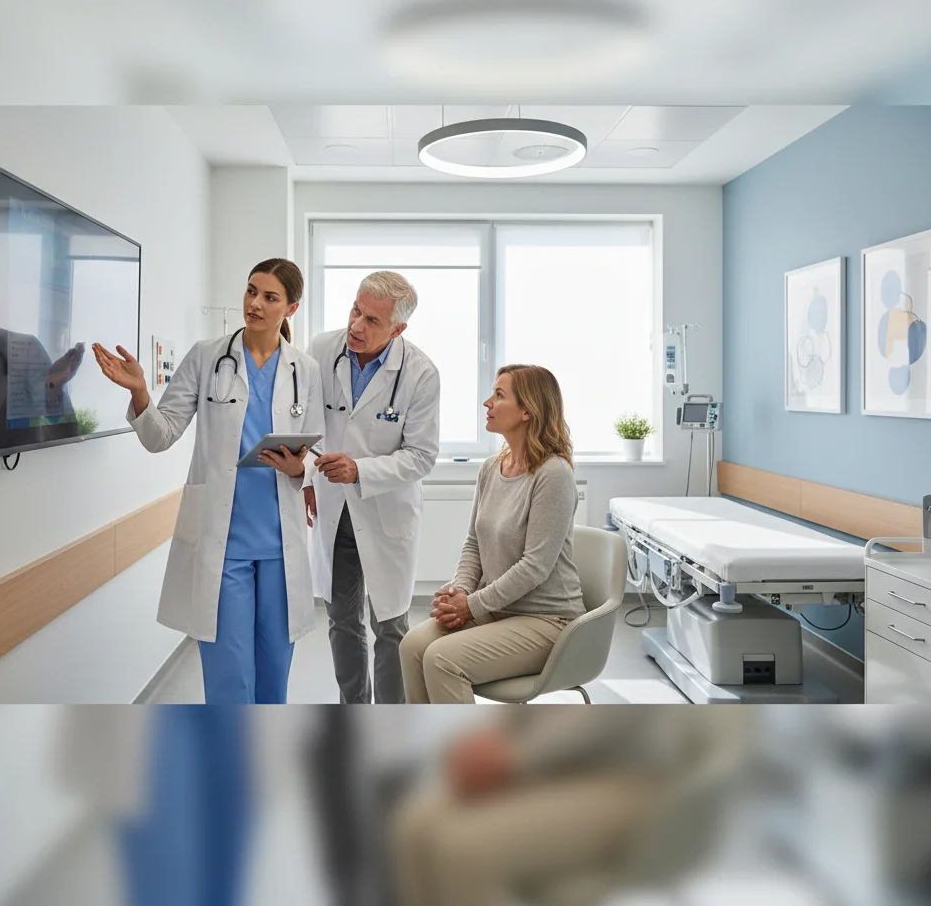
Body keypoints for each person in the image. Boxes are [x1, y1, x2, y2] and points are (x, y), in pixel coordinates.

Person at [92, 258, 323, 704]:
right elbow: (161, 436)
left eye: (269, 297)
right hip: (225, 545)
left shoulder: (304, 370)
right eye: (251, 290)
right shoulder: (206, 356)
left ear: (290, 309)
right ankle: (228, 764)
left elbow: (314, 450)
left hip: (280, 542)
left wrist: (302, 468)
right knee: (230, 678)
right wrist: (140, 392)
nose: (254, 303)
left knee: (275, 674)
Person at [388, 708, 744, 906]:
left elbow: (612, 717)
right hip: (545, 761)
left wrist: (514, 757)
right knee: (413, 826)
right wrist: (486, 740)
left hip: (625, 773)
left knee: (460, 851)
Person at [400, 364, 584, 704]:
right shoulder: (491, 468)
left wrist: (470, 605)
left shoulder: (553, 474)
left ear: (528, 410)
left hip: (546, 620)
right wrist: (460, 590)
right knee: (412, 646)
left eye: (499, 395)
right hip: (495, 610)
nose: (487, 402)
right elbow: (474, 543)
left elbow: (535, 566)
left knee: (442, 660)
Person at [305, 271, 440, 704]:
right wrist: (309, 477)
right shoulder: (322, 351)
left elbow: (422, 456)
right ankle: (354, 710)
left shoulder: (420, 374)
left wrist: (360, 471)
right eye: (355, 311)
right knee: (341, 619)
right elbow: (305, 426)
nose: (356, 326)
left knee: (390, 626)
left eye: (372, 320)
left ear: (398, 328)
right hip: (333, 508)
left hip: (384, 511)